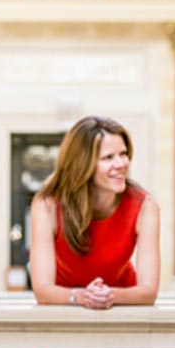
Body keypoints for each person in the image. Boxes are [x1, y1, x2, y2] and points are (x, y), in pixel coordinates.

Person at [30, 115, 160, 307]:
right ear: (83, 164)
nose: (121, 164)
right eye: (108, 157)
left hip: (123, 308)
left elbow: (148, 291)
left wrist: (110, 295)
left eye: (123, 154)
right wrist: (81, 296)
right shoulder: (47, 205)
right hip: (64, 306)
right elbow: (42, 290)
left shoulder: (145, 206)